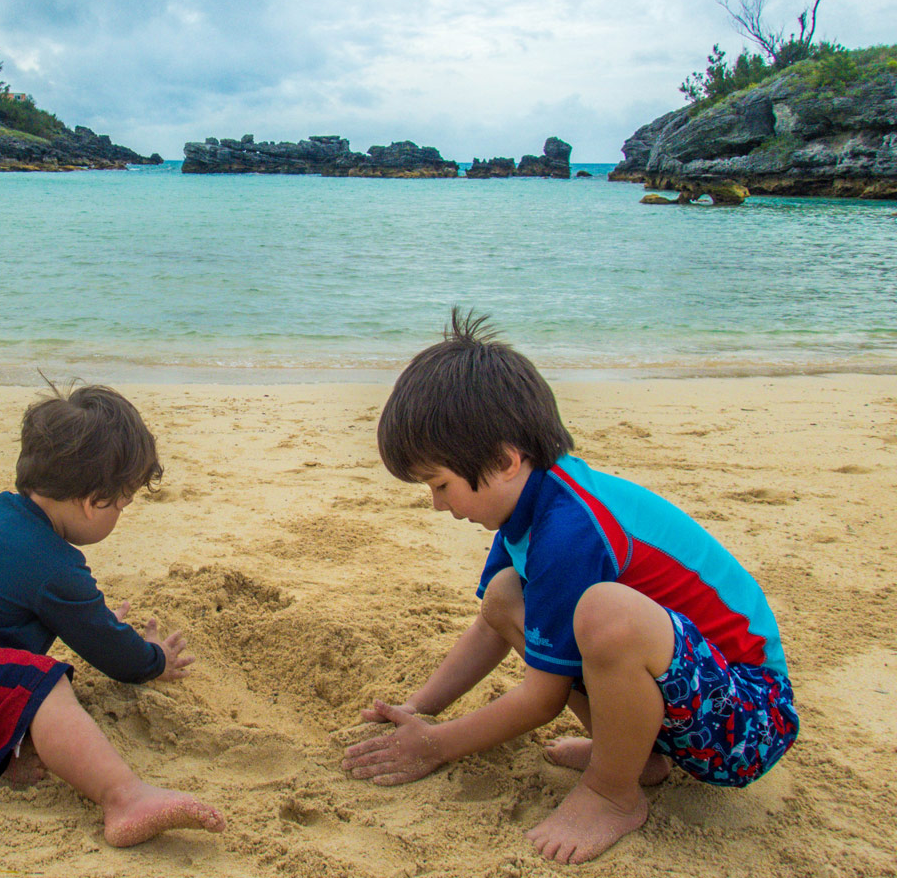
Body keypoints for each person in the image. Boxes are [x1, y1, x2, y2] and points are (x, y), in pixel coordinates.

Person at [341, 310, 798, 864]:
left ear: (506, 460)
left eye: (441, 485)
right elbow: (493, 625)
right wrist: (421, 706)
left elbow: (541, 698)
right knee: (508, 594)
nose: (438, 504)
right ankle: (635, 757)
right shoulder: (528, 509)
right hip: (687, 704)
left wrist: (437, 746)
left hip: (747, 720)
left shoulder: (571, 525)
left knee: (606, 613)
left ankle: (613, 792)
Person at [0, 383, 226, 847]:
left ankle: (1, 745)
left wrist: (89, 616)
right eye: (123, 504)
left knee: (15, 676)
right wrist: (152, 658)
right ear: (94, 502)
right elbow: (113, 654)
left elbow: (12, 609)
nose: (120, 514)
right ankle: (124, 797)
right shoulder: (53, 566)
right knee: (42, 681)